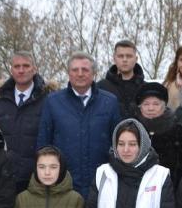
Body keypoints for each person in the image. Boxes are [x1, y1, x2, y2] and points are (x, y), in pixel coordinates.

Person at [37, 53, 122, 199]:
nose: (80, 74)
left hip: (101, 184)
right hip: (63, 184)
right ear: (68, 73)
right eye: (75, 70)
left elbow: (117, 144)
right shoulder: (53, 102)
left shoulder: (110, 102)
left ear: (94, 73)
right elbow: (43, 143)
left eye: (85, 70)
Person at [0, 52, 58, 192]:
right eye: (17, 66)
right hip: (3, 174)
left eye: (26, 66)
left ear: (34, 69)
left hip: (36, 177)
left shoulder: (49, 98)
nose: (21, 70)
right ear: (11, 69)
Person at [134, 82, 182, 187]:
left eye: (156, 104)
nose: (151, 108)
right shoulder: (132, 129)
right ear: (140, 107)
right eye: (146, 104)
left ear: (164, 106)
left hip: (168, 189)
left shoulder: (177, 131)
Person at [98, 40, 146, 119]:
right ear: (114, 58)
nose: (124, 60)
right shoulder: (101, 88)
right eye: (120, 56)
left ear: (136, 59)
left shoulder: (146, 89)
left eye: (129, 56)